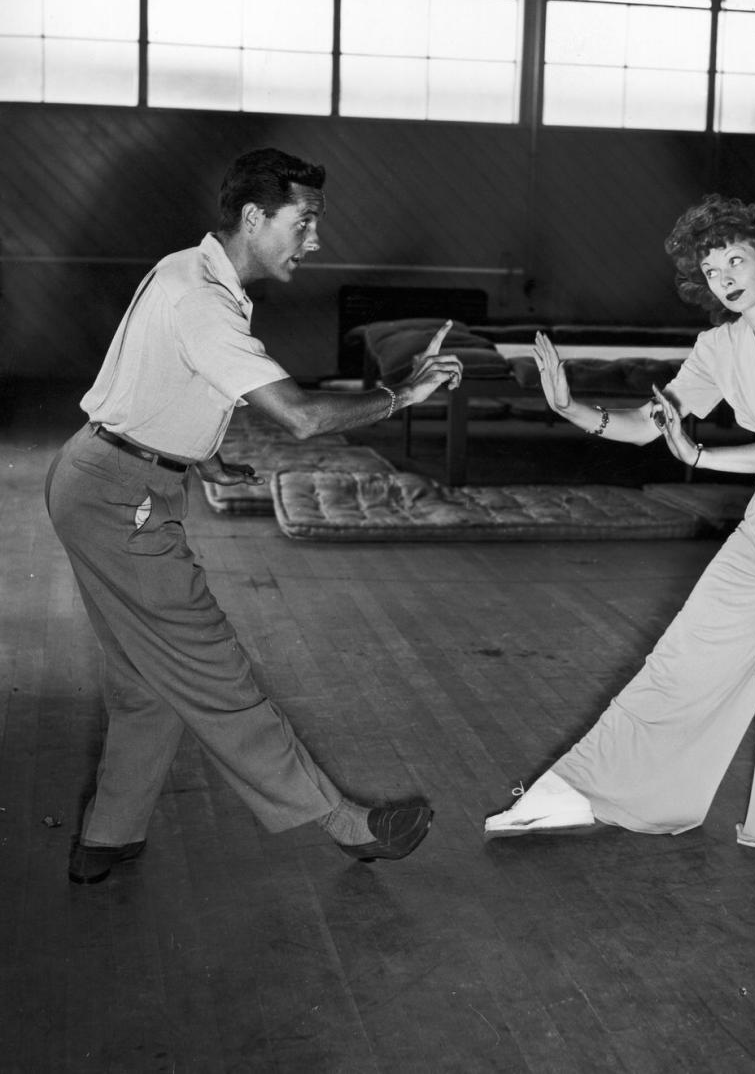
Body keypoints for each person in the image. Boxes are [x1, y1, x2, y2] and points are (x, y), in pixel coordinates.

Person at [46, 147, 463, 883]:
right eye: (304, 223)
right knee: (214, 669)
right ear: (253, 217)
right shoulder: (202, 300)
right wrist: (403, 394)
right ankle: (348, 824)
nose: (315, 241)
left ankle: (107, 839)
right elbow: (298, 418)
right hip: (121, 499)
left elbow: (159, 382)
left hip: (105, 477)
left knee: (148, 682)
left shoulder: (190, 271)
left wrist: (202, 455)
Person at [484, 194, 755, 848]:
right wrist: (571, 409)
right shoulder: (717, 347)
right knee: (687, 655)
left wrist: (701, 454)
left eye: (736, 258)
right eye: (711, 270)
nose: (726, 277)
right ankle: (583, 792)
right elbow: (651, 429)